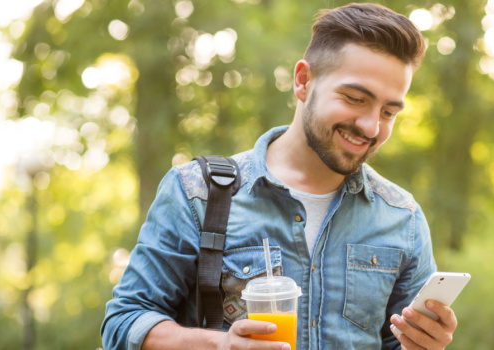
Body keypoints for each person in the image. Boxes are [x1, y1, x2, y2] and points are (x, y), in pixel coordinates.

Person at [101, 3, 457, 350]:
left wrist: (423, 346)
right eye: (354, 98)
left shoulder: (402, 218)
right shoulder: (197, 193)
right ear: (303, 82)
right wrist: (221, 345)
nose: (370, 126)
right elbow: (124, 323)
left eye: (389, 112)